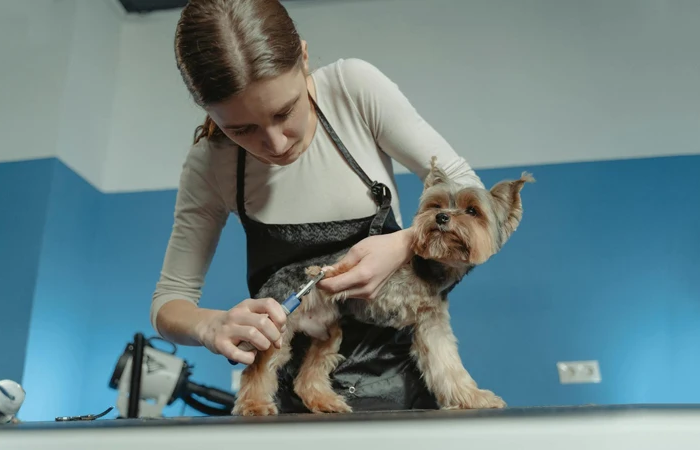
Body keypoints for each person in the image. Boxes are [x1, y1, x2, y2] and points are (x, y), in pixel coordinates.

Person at [151, 0, 484, 413]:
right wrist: (209, 325)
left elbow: (468, 190)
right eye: (242, 129)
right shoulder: (211, 162)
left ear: (304, 57)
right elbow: (170, 300)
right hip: (288, 408)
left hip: (404, 394)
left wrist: (403, 244)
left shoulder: (353, 90)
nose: (275, 144)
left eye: (284, 111)